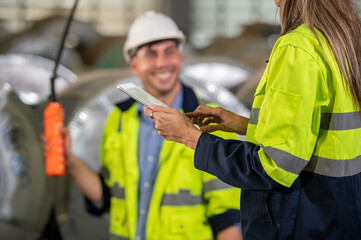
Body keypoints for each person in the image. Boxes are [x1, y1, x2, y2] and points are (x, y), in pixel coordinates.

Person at [144, 0, 361, 239]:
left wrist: (191, 137)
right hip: (335, 218)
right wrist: (246, 125)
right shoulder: (342, 39)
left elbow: (272, 169)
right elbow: (321, 134)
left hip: (300, 224)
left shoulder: (298, 48)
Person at [56, 11, 243, 240]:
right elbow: (107, 197)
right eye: (151, 54)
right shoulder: (119, 120)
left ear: (180, 57)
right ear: (135, 64)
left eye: (169, 52)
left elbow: (228, 217)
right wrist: (70, 161)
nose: (162, 63)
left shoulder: (210, 121)